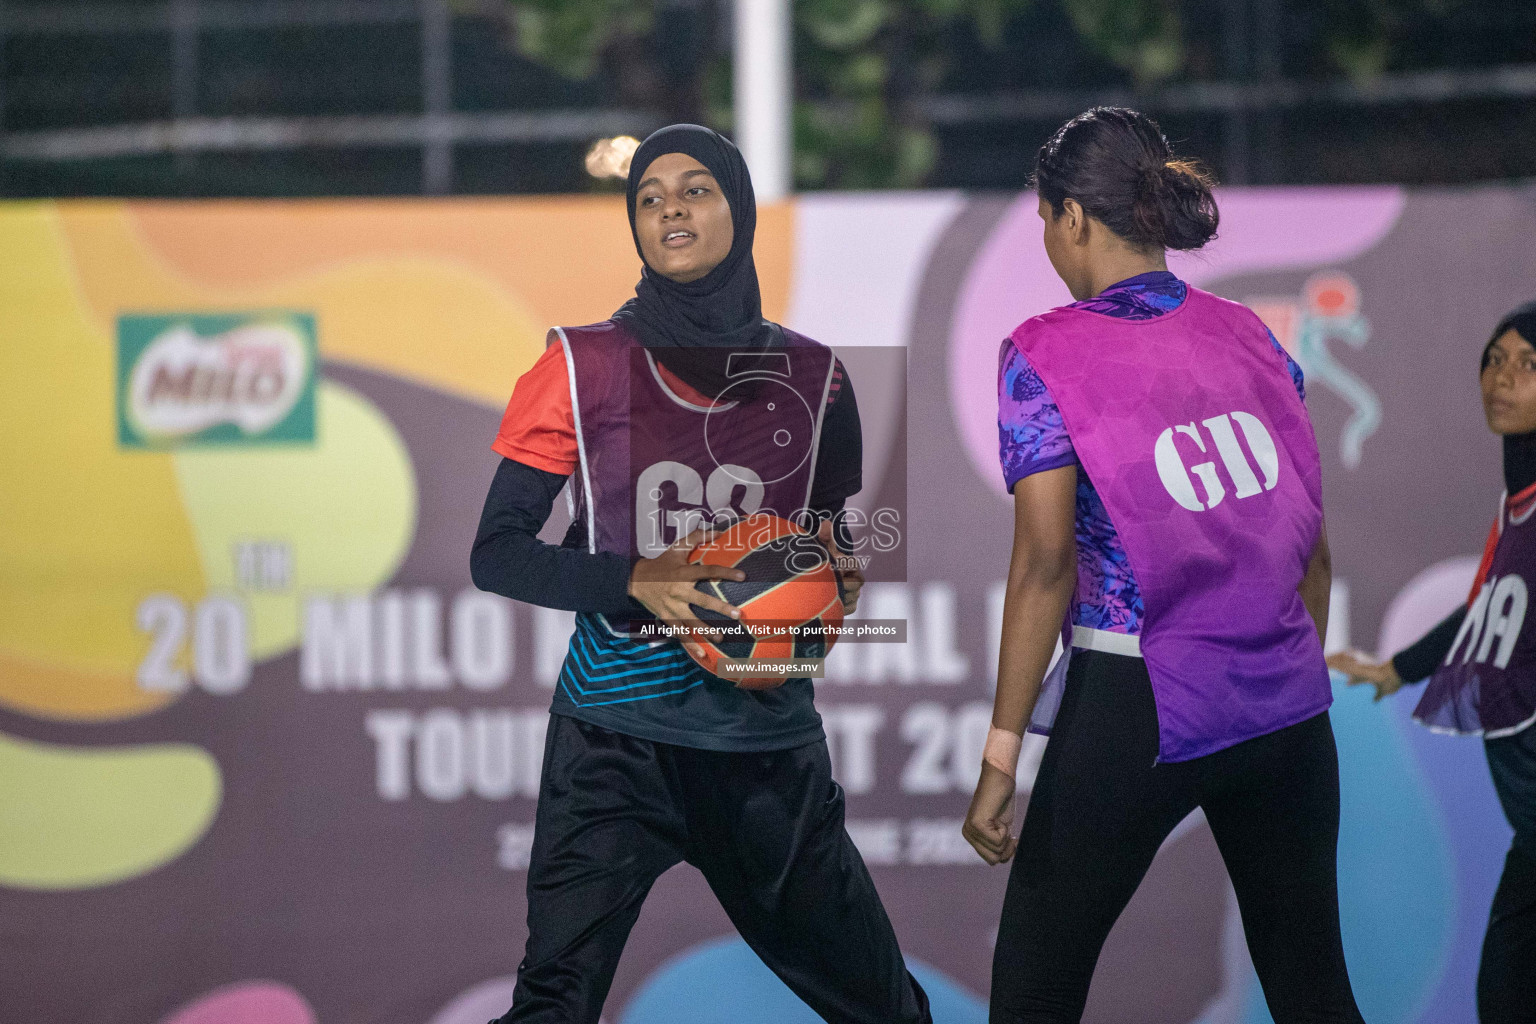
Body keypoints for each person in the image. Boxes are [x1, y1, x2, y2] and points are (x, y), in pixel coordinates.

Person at [470, 124, 931, 1024]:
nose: (669, 207)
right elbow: (497, 552)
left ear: (741, 208)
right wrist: (636, 580)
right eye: (648, 197)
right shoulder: (581, 363)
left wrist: (831, 591)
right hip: (611, 747)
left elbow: (831, 541)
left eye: (696, 189)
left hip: (763, 748)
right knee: (553, 1006)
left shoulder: (817, 376)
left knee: (883, 1009)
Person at [962, 107, 1365, 1023]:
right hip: (1286, 706)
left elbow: (1044, 565)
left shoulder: (1044, 352)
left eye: (1045, 224)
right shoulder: (1254, 334)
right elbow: (1314, 551)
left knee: (1033, 990)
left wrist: (998, 758)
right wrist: (1283, 682)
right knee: (1315, 992)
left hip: (1140, 695)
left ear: (1071, 218)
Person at [1329, 302, 1536, 1024]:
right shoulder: (1517, 508)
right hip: (1529, 828)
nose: (1503, 378)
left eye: (1529, 364)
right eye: (1494, 359)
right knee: (1504, 997)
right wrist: (1396, 669)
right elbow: (1485, 615)